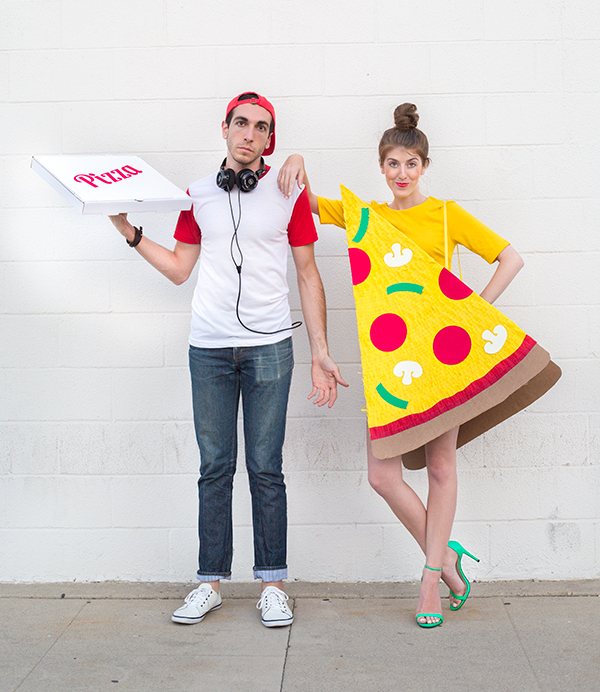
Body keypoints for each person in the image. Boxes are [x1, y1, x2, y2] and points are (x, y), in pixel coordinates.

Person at [278, 102, 524, 628]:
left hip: (444, 364)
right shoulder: (369, 215)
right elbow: (311, 203)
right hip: (391, 364)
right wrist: (297, 155)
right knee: (382, 474)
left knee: (440, 467)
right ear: (382, 168)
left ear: (425, 167)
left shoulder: (445, 214)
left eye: (412, 164)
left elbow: (510, 259)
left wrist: (472, 312)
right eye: (393, 164)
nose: (403, 174)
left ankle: (431, 578)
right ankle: (450, 556)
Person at [109, 92, 346, 628]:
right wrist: (131, 233)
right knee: (214, 468)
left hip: (270, 349)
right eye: (241, 123)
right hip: (209, 350)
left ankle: (272, 585)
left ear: (270, 140)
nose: (249, 134)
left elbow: (308, 275)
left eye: (261, 128)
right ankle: (210, 583)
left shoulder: (289, 192)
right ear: (225, 128)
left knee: (266, 469)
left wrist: (321, 353)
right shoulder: (197, 196)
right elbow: (178, 269)